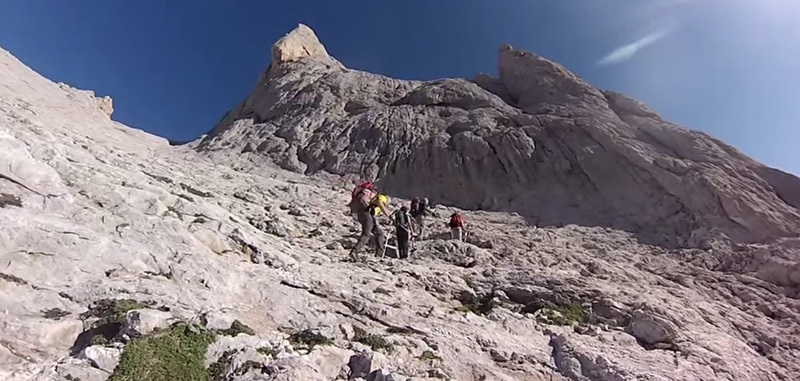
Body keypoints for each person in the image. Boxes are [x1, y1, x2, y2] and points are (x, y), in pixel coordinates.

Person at [349, 189, 391, 260]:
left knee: (379, 233)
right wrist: (389, 216)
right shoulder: (382, 197)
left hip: (367, 215)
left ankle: (379, 254)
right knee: (366, 234)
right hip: (366, 213)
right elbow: (381, 205)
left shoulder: (377, 197)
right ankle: (354, 251)